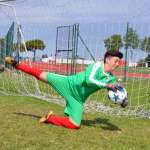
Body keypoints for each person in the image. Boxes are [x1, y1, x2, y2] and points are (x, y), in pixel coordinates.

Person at [5, 50, 125, 130]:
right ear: (107, 59)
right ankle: (16, 64)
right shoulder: (96, 66)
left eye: (119, 62)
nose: (117, 64)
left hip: (77, 98)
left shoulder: (111, 78)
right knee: (40, 75)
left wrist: (123, 100)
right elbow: (89, 80)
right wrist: (106, 85)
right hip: (68, 83)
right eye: (116, 61)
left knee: (75, 124)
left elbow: (116, 90)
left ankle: (50, 118)